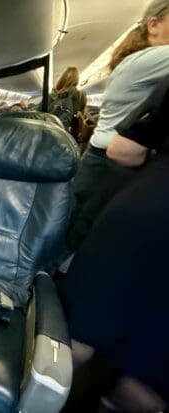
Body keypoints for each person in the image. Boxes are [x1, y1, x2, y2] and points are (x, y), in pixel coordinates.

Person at [59, 75, 169, 413]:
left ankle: (38, 392)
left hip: (150, 208)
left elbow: (123, 149)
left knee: (81, 332)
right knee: (149, 371)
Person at [65, 0, 169, 252]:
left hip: (103, 161)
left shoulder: (135, 60)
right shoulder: (153, 59)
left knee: (81, 237)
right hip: (111, 166)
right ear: (153, 25)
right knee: (84, 243)